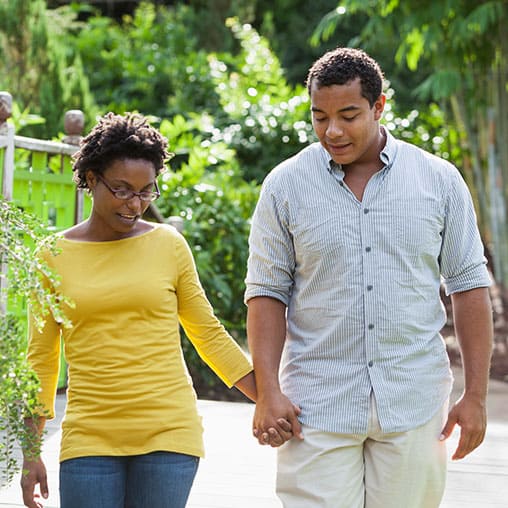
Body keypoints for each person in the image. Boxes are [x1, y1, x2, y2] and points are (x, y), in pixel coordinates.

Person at [244, 47, 493, 508]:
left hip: (413, 403)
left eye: (349, 115)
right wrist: (268, 391)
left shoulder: (439, 181)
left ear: (379, 107)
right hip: (316, 405)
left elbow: (469, 287)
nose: (332, 131)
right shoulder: (285, 185)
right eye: (319, 117)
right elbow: (266, 293)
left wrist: (475, 395)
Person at [20, 112, 289, 508]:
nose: (135, 205)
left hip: (168, 431)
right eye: (123, 190)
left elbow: (208, 334)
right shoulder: (52, 255)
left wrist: (267, 397)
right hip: (89, 434)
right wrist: (30, 452)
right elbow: (41, 360)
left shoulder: (169, 245)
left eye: (147, 192)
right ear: (91, 179)